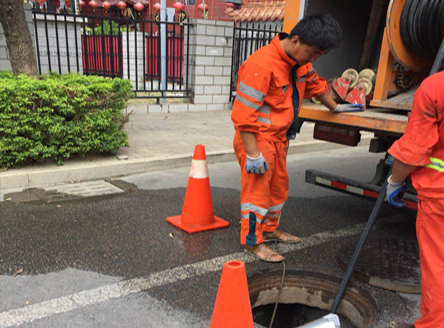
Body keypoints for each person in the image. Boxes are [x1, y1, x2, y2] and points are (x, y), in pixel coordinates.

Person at [231, 13, 362, 263]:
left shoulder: (299, 63)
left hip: (279, 139)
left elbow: (317, 86)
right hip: (257, 140)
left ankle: (269, 230)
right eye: (312, 54)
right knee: (256, 196)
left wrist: (336, 107)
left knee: (278, 189)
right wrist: (252, 154)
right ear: (295, 41)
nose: (312, 61)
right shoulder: (261, 65)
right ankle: (252, 242)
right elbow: (243, 115)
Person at [386, 70, 444, 328]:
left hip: (439, 196)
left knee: (438, 267)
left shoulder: (435, 87)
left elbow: (414, 148)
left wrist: (394, 181)